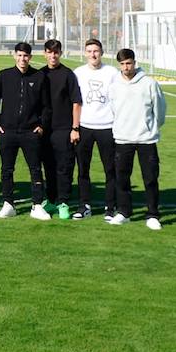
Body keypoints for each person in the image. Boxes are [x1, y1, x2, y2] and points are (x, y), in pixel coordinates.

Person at [109, 48, 167, 229]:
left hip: (146, 140)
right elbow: (113, 108)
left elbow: (160, 110)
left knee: (150, 178)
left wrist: (152, 129)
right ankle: (124, 212)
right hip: (122, 138)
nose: (126, 67)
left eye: (129, 63)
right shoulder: (114, 84)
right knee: (122, 178)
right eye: (123, 64)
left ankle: (152, 215)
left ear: (135, 62)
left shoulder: (149, 83)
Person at [0, 42, 50, 220]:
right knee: (7, 169)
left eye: (25, 56)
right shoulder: (4, 76)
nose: (22, 59)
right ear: (14, 55)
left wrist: (41, 126)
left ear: (30, 57)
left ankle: (37, 205)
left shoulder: (39, 77)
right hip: (8, 132)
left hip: (30, 132)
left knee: (35, 169)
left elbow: (46, 106)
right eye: (19, 55)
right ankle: (9, 203)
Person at [72, 38, 119, 221]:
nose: (93, 54)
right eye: (89, 51)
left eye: (96, 51)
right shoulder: (78, 73)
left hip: (107, 127)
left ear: (102, 52)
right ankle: (84, 206)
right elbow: (75, 102)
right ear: (85, 53)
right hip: (85, 127)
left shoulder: (112, 72)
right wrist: (74, 127)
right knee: (83, 169)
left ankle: (110, 207)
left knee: (110, 169)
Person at [38, 39, 81, 220]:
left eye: (56, 52)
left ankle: (63, 202)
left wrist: (74, 128)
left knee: (64, 167)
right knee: (48, 167)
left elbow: (76, 102)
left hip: (64, 129)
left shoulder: (68, 74)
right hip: (44, 130)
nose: (53, 55)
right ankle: (52, 200)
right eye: (49, 52)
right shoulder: (39, 74)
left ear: (60, 54)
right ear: (45, 53)